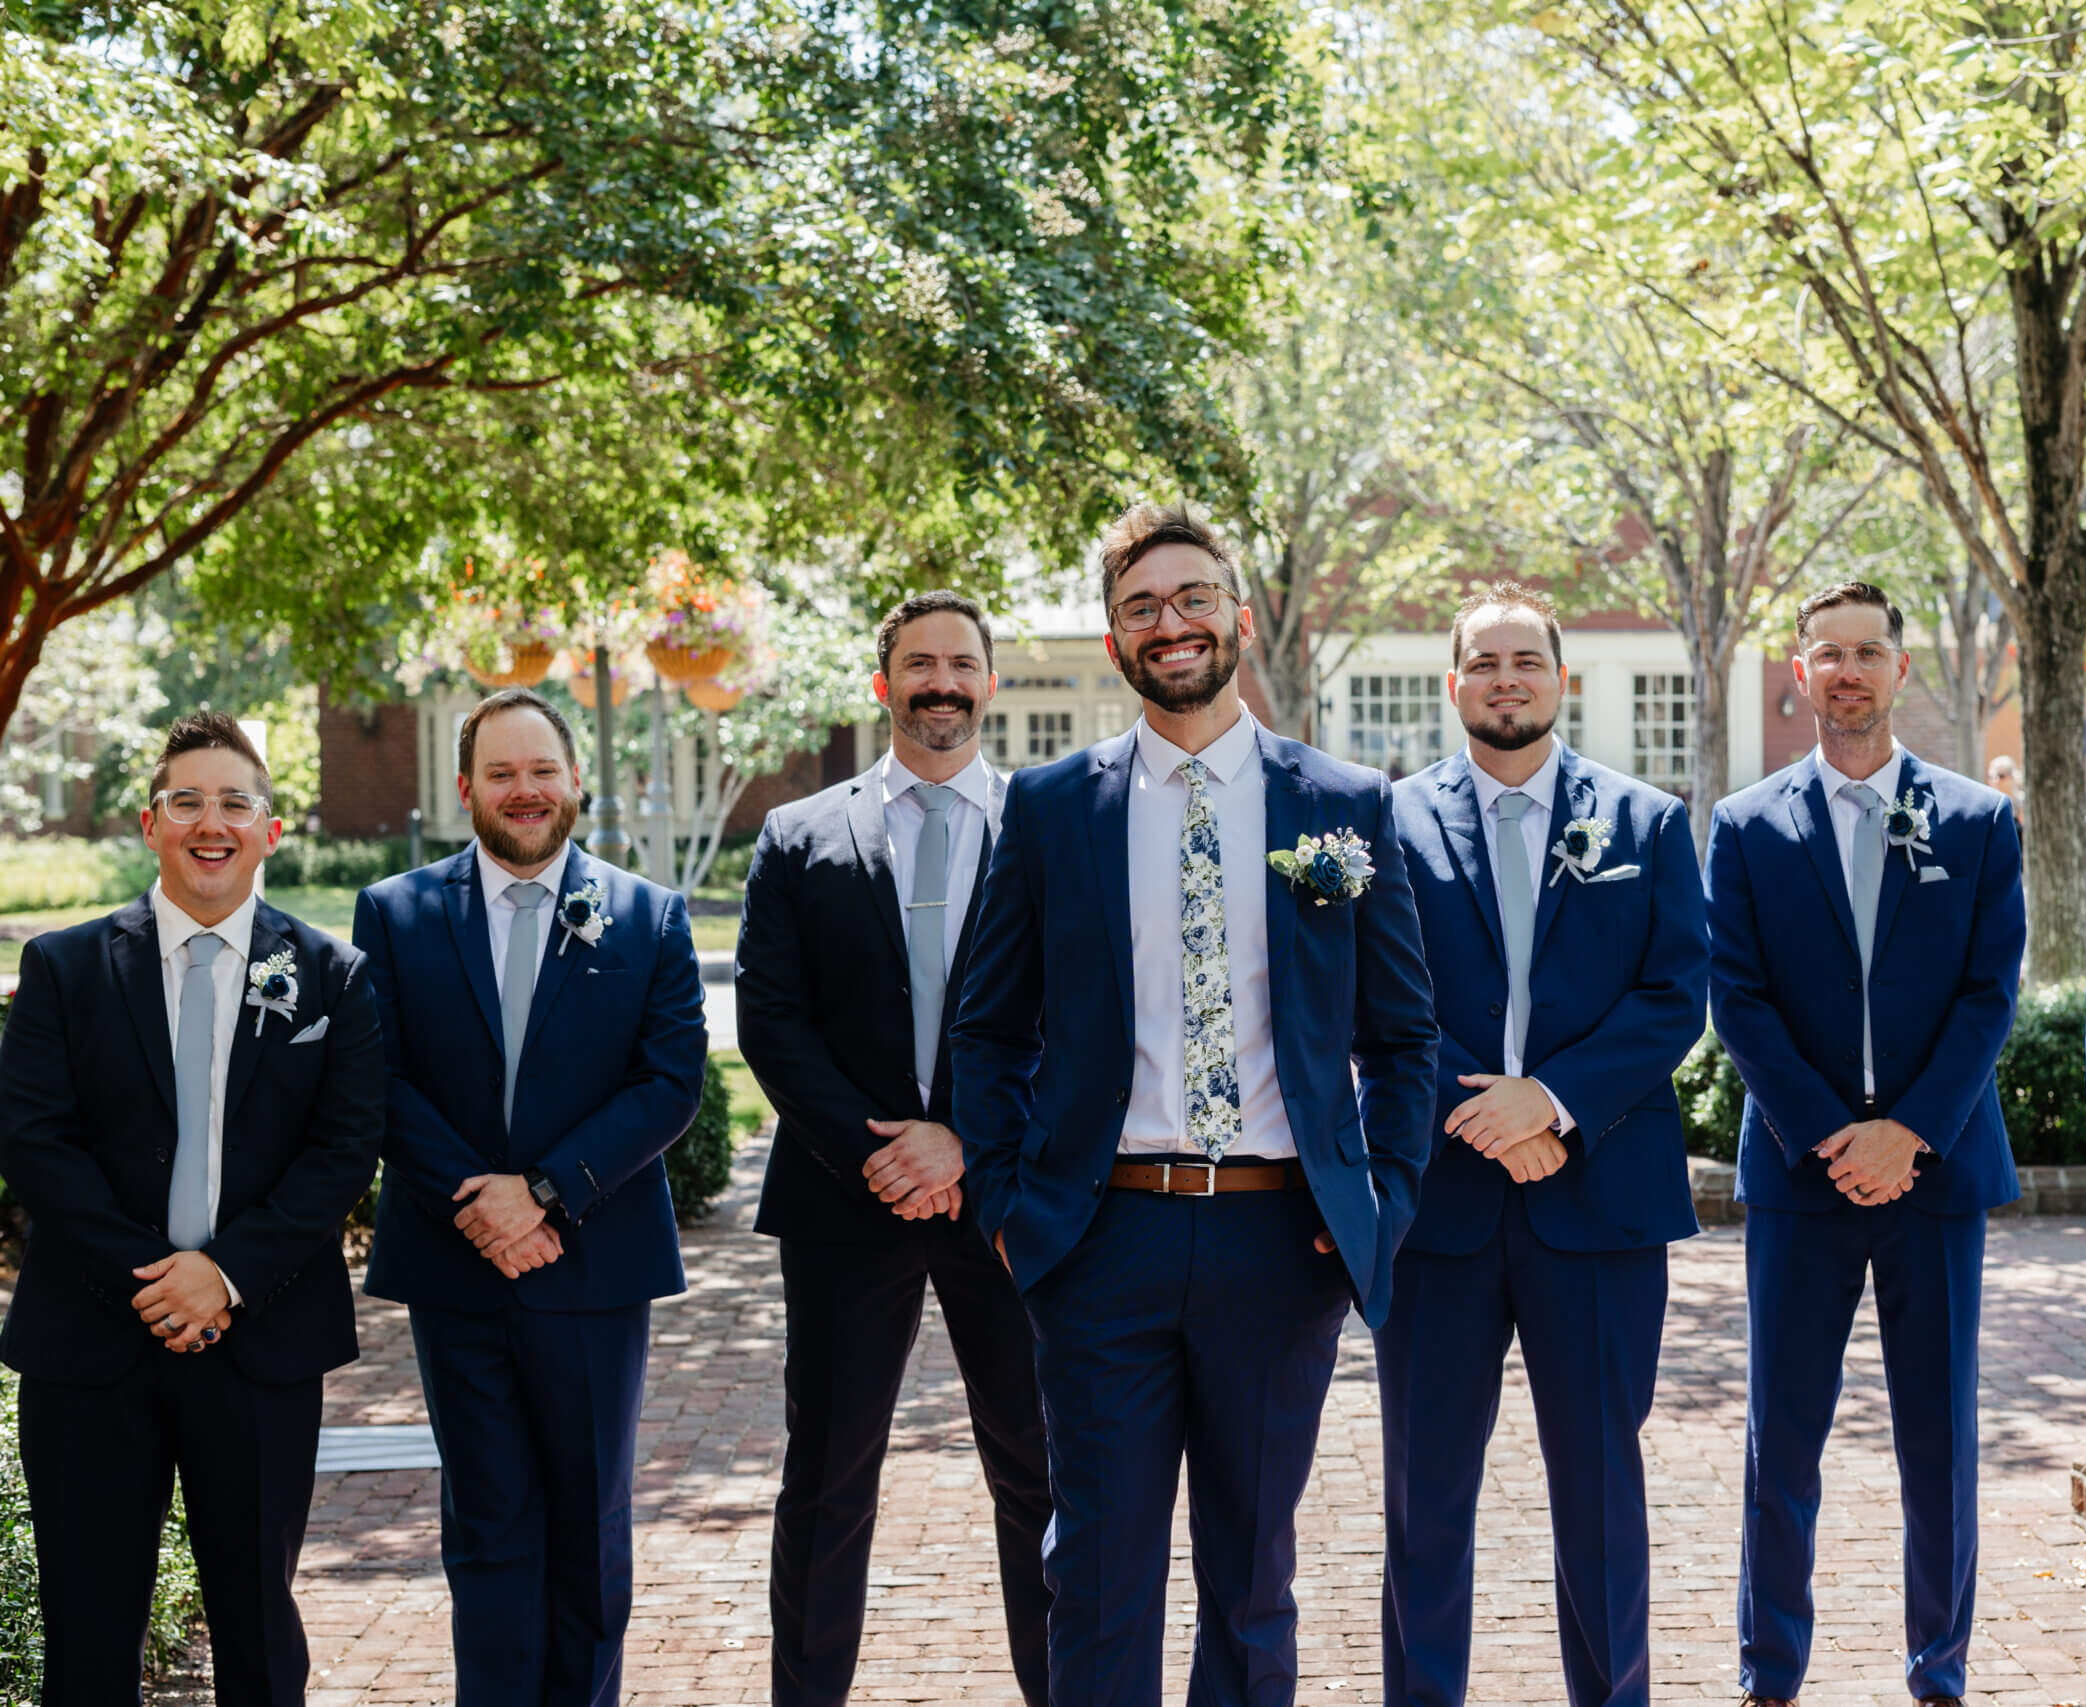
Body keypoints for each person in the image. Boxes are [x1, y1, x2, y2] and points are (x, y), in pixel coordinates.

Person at [950, 500, 1439, 1707]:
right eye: (1140, 608)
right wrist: (1009, 1207)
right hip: (1099, 1236)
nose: (1169, 624)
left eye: (1190, 599)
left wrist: (1378, 1204)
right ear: (1114, 640)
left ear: (1240, 616)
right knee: (1095, 1576)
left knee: (1253, 1578)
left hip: (1280, 1238)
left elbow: (1402, 1037)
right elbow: (988, 1029)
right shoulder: (1050, 808)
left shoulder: (1345, 804)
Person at [0, 710, 386, 1705]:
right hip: (89, 1346)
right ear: (150, 824)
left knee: (259, 1637)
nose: (211, 823)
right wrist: (156, 1282)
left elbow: (344, 1149)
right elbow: (35, 1141)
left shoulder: (333, 976)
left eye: (234, 803)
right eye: (187, 801)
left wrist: (226, 1274)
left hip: (262, 1344)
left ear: (270, 831)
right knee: (87, 1643)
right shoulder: (65, 968)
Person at [1379, 584, 1711, 1706]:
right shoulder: (1387, 821)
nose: (1506, 679)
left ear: (1561, 679)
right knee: (1424, 1494)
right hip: (1438, 1207)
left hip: (1601, 1199)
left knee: (1603, 1492)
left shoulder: (1646, 821)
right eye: (1484, 663)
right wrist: (1484, 1115)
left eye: (1526, 661)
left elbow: (1673, 994)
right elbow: (1371, 999)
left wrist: (1553, 1102)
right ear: (1453, 685)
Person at [1703, 582, 2026, 1707]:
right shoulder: (1745, 826)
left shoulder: (1976, 820)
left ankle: (1940, 1669)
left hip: (1936, 1174)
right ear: (1801, 672)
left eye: (1869, 652)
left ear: (1901, 669)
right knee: (1781, 1439)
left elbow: (1989, 994)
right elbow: (1739, 998)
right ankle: (1769, 1671)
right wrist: (1833, 1134)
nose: (1849, 670)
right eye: (1828, 653)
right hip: (1803, 1176)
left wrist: (1911, 1133)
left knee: (1938, 1439)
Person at [353, 687, 708, 1707]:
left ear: (576, 781)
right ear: (464, 787)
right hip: (454, 1266)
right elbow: (377, 1076)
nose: (525, 790)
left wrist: (545, 1195)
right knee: (486, 1527)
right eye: (501, 773)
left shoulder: (648, 914)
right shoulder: (396, 913)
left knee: (590, 1529)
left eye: (542, 770)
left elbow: (669, 1081)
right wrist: (483, 1204)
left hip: (594, 1268)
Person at [737, 590, 1051, 1707]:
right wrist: (880, 1154)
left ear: (990, 683)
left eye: (961, 664)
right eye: (919, 664)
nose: (941, 683)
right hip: (842, 1199)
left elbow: (1084, 1013)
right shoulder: (799, 834)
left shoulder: (1050, 827)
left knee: (1040, 1472)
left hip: (1007, 1197)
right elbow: (770, 1018)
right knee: (827, 1479)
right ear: (884, 684)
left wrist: (964, 1140)